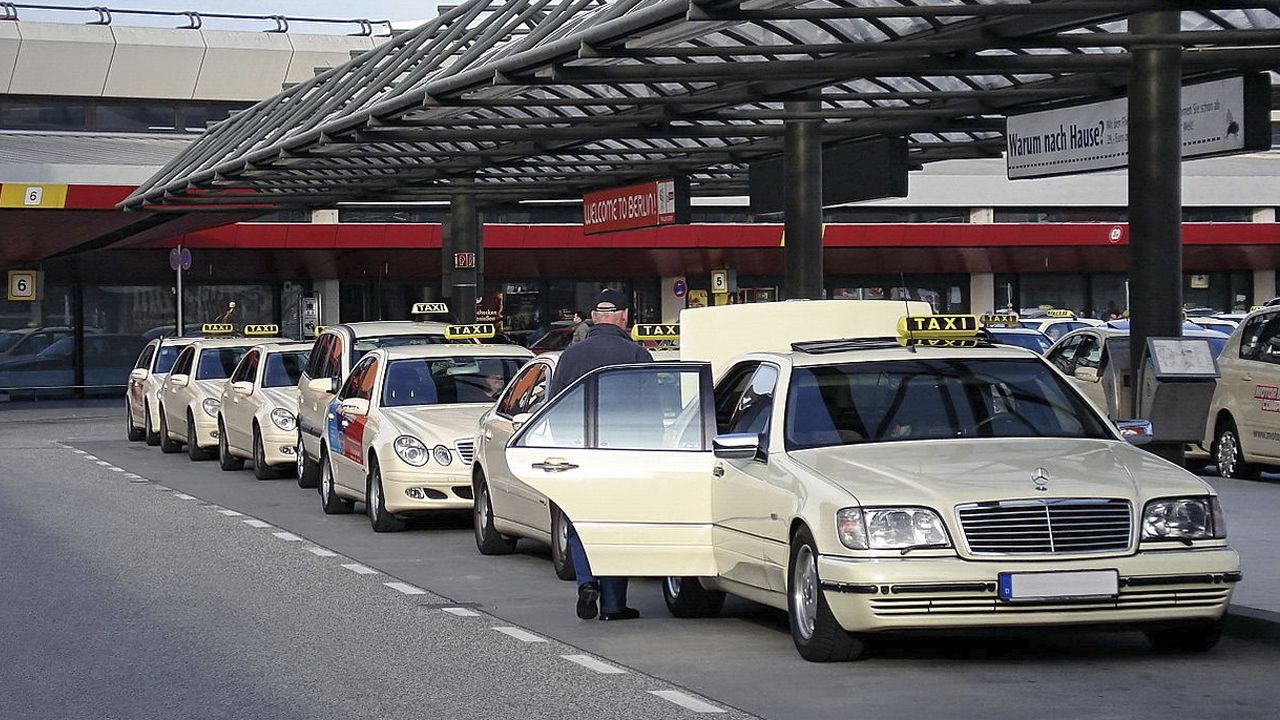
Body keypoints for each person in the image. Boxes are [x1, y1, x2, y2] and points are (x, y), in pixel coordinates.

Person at [547, 288, 653, 622]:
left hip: (579, 453)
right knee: (616, 524)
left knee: (581, 520)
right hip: (623, 456)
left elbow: (553, 409)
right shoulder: (637, 355)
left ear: (593, 318)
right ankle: (612, 604)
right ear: (624, 318)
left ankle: (586, 582)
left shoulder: (569, 356)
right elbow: (654, 414)